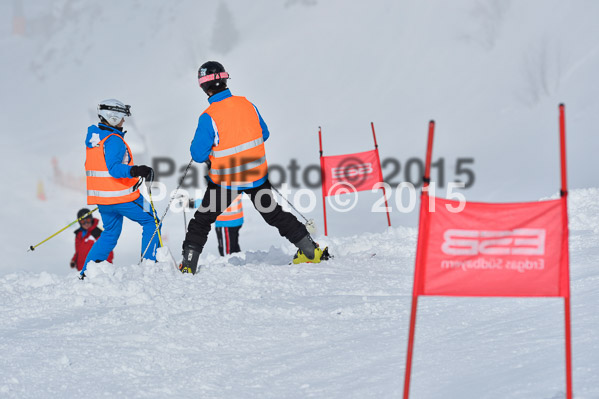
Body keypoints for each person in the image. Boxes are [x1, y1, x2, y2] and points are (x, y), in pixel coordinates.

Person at [179, 61, 329, 274]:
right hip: (256, 178)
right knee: (274, 214)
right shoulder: (247, 104)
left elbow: (198, 154)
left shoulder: (208, 117)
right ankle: (310, 251)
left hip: (225, 183)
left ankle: (188, 265)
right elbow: (264, 134)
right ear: (225, 80)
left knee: (202, 221)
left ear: (203, 86)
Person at [81, 99, 160, 279]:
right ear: (114, 118)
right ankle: (150, 266)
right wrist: (137, 170)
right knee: (152, 222)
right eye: (122, 117)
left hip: (103, 200)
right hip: (124, 198)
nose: (124, 121)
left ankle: (87, 272)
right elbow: (115, 169)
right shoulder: (114, 140)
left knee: (110, 234)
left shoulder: (95, 138)